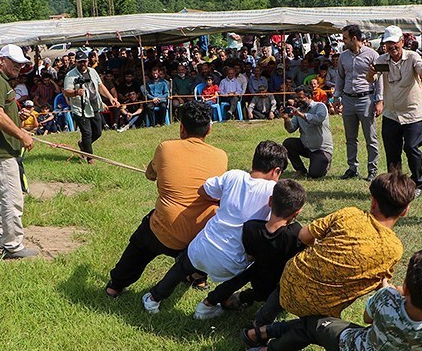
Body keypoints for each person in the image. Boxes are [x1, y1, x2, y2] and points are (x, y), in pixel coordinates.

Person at [244, 249, 422, 351]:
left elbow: (366, 318)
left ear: (406, 288)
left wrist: (391, 291)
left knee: (312, 324)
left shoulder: (387, 298)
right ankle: (264, 332)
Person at [250, 171, 415, 328]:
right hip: (322, 309)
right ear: (405, 211)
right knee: (314, 326)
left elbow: (303, 235)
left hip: (292, 278)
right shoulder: (394, 249)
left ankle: (260, 323)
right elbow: (380, 280)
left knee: (282, 292)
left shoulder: (349, 214)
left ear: (373, 201)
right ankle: (279, 338)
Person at [141, 140, 288, 316]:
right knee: (246, 274)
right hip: (233, 262)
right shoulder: (276, 191)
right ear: (276, 171)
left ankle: (153, 298)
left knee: (181, 267)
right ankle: (207, 307)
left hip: (202, 247)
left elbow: (203, 191)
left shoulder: (233, 176)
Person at [105, 101, 229, 299]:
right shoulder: (221, 156)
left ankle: (116, 285)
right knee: (206, 220)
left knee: (140, 242)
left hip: (164, 232)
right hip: (198, 240)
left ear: (181, 128)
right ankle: (199, 277)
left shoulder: (165, 148)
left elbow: (150, 175)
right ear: (209, 129)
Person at [191, 178, 307, 319]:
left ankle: (208, 303)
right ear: (297, 213)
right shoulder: (295, 233)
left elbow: (250, 255)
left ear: (270, 201)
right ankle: (251, 309)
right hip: (279, 284)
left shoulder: (251, 227)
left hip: (257, 276)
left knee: (245, 273)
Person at [0, 44, 37, 259]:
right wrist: (22, 135)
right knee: (12, 197)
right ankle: (12, 245)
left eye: (22, 64)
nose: (19, 67)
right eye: (15, 62)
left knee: (4, 195)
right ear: (2, 60)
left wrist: (19, 130)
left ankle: (4, 237)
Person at [371, 25, 422, 199]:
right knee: (392, 151)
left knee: (411, 147)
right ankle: (395, 184)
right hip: (391, 113)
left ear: (402, 42)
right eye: (388, 44)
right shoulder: (381, 60)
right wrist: (370, 74)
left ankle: (417, 183)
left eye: (395, 43)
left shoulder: (413, 57)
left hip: (412, 113)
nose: (392, 48)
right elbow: (372, 78)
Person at [336, 24, 380, 182]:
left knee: (370, 137)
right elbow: (340, 77)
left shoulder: (372, 55)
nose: (343, 41)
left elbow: (379, 79)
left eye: (345, 38)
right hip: (348, 99)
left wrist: (379, 100)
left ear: (354, 38)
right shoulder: (343, 56)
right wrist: (336, 96)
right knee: (350, 137)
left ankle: (372, 169)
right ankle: (352, 168)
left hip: (365, 99)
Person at [63, 50, 119, 163]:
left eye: (84, 61)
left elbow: (100, 86)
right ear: (76, 63)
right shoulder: (70, 75)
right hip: (81, 109)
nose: (82, 64)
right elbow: (66, 92)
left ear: (87, 61)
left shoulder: (93, 71)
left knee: (98, 132)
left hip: (95, 106)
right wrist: (76, 92)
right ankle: (90, 158)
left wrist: (110, 98)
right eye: (80, 62)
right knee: (87, 133)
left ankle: (83, 145)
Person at [282, 85, 333, 179]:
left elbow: (318, 119)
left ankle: (325, 162)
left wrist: (300, 115)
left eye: (300, 97)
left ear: (309, 96)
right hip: (306, 147)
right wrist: (286, 119)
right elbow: (291, 129)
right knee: (288, 143)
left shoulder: (320, 106)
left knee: (314, 175)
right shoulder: (299, 111)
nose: (298, 100)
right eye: (296, 98)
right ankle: (300, 170)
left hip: (321, 149)